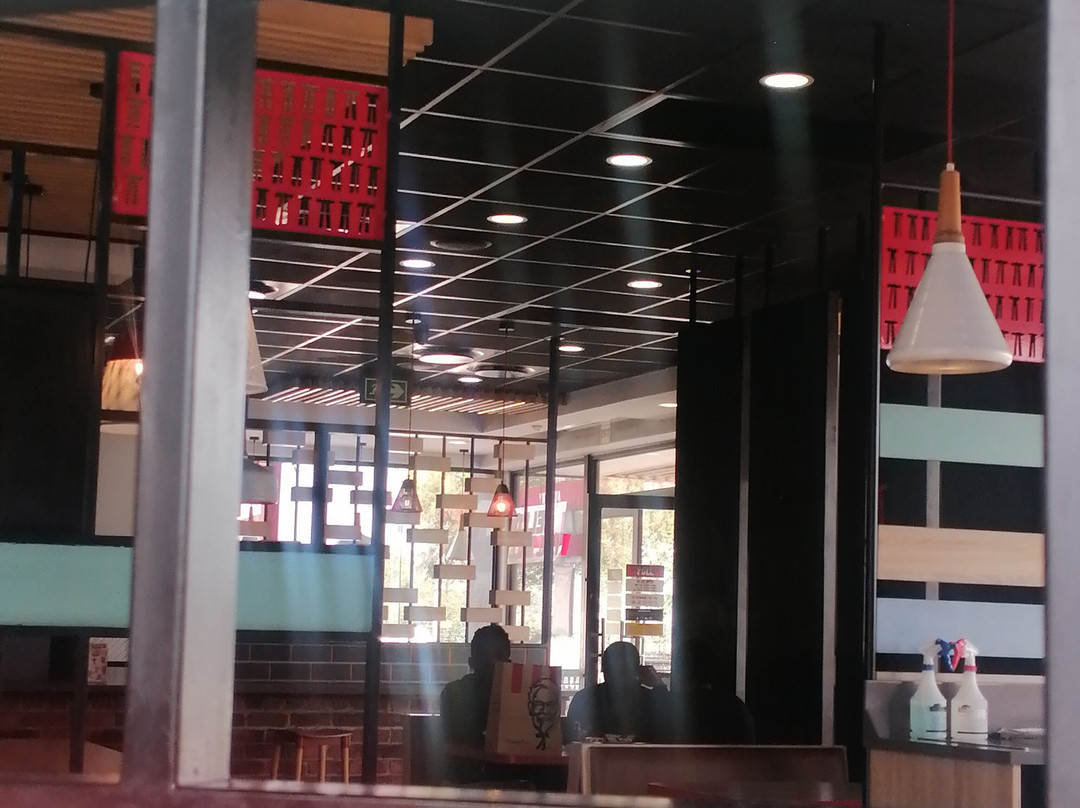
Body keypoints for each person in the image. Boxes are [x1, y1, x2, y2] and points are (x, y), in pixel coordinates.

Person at [564, 641, 673, 742]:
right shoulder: (585, 699)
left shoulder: (585, 698)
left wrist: (659, 689)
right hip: (640, 756)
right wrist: (659, 687)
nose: (618, 676)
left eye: (623, 670)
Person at [440, 623, 512, 747]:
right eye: (485, 657)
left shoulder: (519, 697)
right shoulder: (454, 694)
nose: (493, 663)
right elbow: (458, 740)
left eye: (498, 656)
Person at [670, 640, 755, 744]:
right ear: (712, 670)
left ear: (677, 670)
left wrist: (659, 689)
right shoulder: (736, 707)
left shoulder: (668, 709)